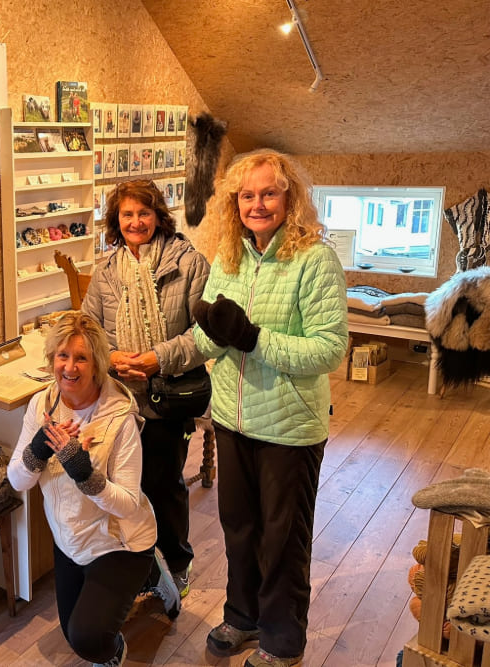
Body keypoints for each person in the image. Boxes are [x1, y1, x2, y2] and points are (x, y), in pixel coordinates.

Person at [193, 149, 347, 667]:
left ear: (289, 198)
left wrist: (254, 338)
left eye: (269, 193)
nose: (257, 204)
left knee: (283, 540)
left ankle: (282, 641)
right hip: (233, 419)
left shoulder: (314, 258)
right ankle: (242, 616)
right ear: (234, 203)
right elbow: (212, 340)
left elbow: (329, 349)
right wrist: (197, 337)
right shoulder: (228, 255)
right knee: (239, 528)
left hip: (291, 425)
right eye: (247, 195)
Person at [6, 313, 180, 667]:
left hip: (119, 542)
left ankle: (144, 572)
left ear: (98, 364)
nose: (70, 367)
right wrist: (39, 448)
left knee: (89, 639)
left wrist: (83, 473)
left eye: (81, 358)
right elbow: (17, 480)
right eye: (62, 356)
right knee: (72, 633)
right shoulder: (41, 406)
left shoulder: (120, 419)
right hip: (71, 539)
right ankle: (149, 575)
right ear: (52, 359)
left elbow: (130, 505)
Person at [81, 179, 210, 599]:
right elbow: (90, 330)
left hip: (167, 397)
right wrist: (114, 358)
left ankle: (176, 563)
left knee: (165, 483)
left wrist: (158, 358)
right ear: (116, 222)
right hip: (119, 399)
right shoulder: (106, 272)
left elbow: (203, 335)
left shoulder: (188, 263)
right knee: (124, 486)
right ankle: (137, 563)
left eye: (144, 213)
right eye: (127, 215)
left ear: (158, 215)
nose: (136, 222)